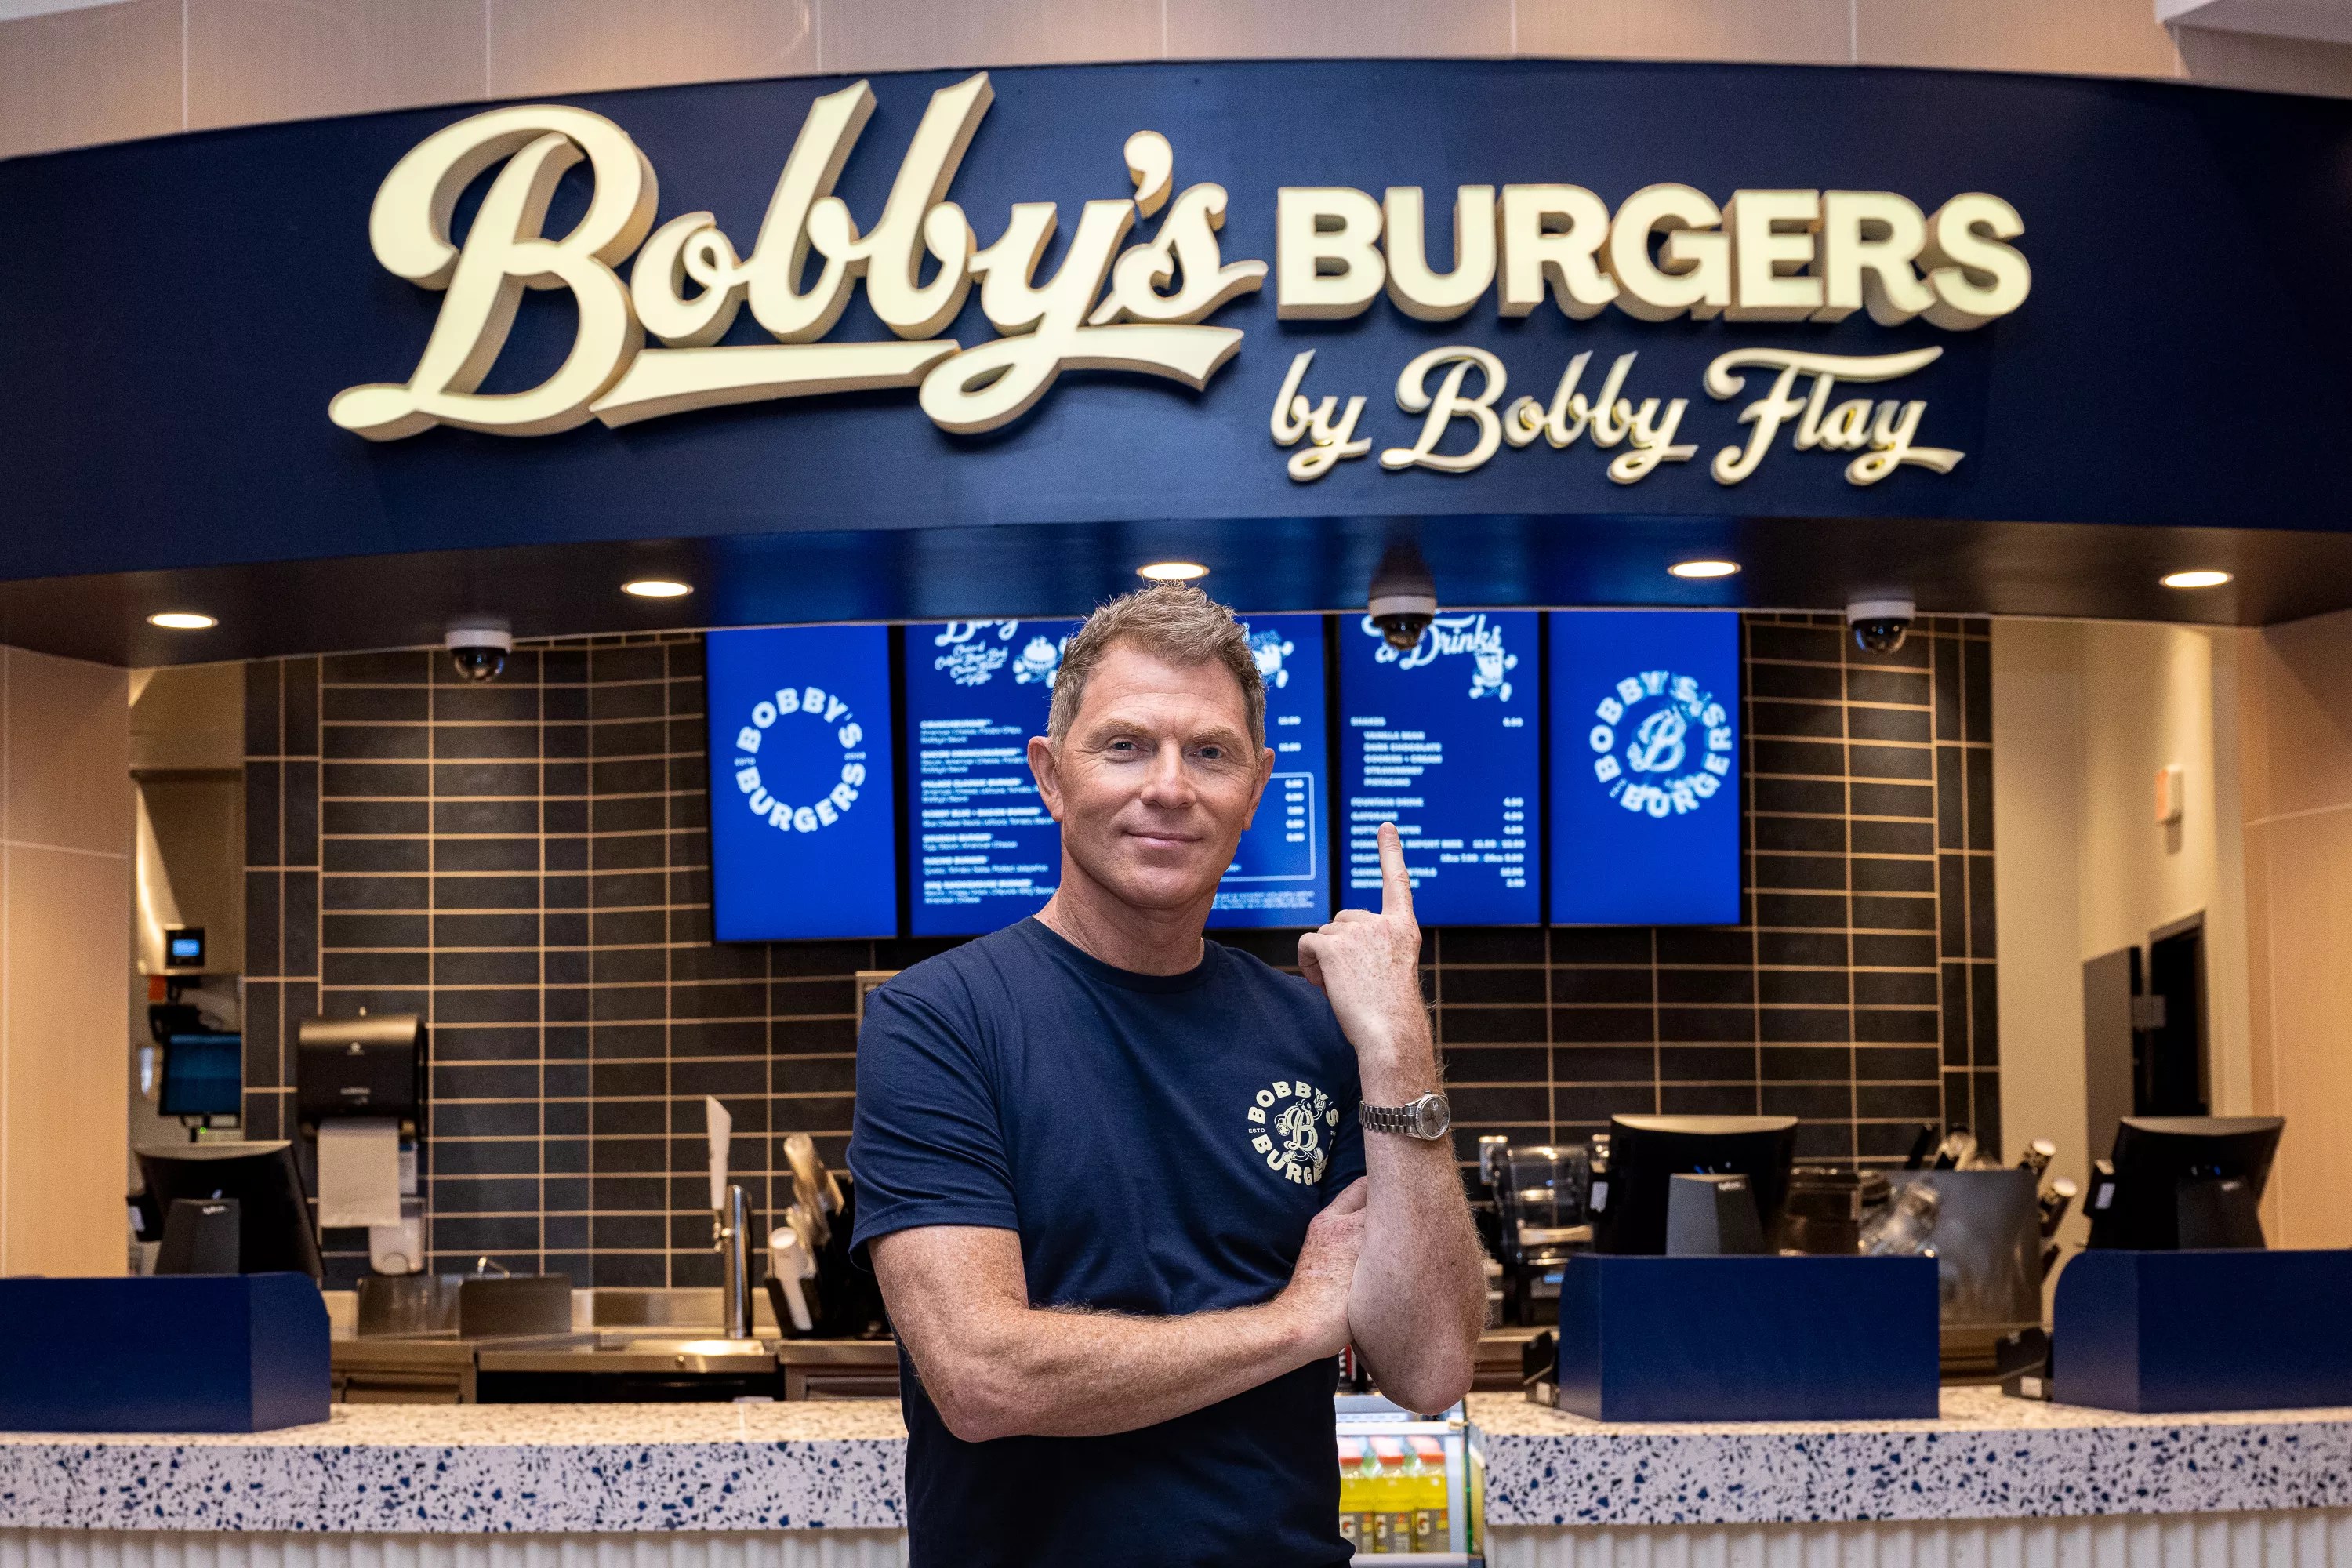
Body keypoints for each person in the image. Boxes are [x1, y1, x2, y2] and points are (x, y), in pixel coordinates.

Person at [849, 584, 1488, 1567]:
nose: (1169, 785)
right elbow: (983, 1375)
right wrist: (1295, 1323)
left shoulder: (1317, 1034)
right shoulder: (941, 1020)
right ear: (1050, 777)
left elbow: (1433, 1361)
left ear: (1257, 788)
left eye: (1210, 752)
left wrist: (1397, 1037)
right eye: (1124, 744)